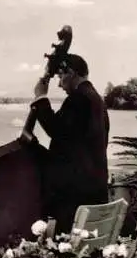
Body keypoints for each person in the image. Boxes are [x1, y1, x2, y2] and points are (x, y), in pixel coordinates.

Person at [32, 54, 110, 234]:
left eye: (60, 76)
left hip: (75, 196)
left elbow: (57, 130)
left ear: (71, 72)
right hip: (93, 190)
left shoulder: (79, 99)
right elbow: (76, 143)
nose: (59, 84)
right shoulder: (97, 100)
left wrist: (41, 97)